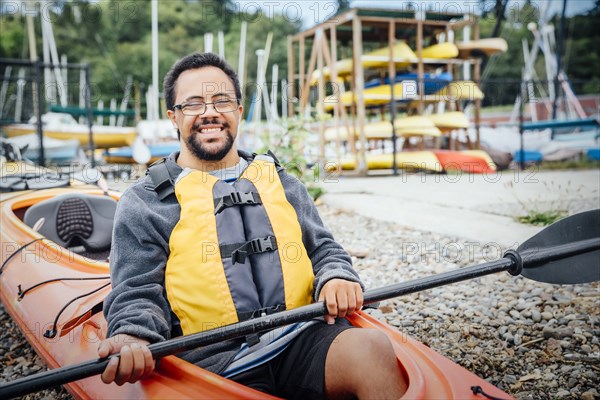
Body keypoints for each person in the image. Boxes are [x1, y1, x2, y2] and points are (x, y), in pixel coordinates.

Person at [98, 52, 407, 399]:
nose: (209, 112)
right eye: (194, 104)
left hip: (301, 335)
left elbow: (323, 249)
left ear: (239, 111)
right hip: (214, 361)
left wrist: (337, 275)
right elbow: (136, 289)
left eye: (221, 101)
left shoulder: (280, 181)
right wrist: (134, 334)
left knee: (371, 348)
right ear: (173, 117)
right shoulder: (145, 201)